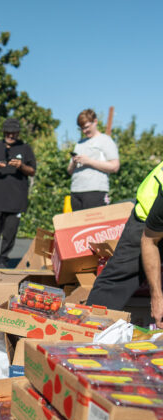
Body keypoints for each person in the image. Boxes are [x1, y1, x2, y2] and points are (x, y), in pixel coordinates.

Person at [86, 161, 163, 311]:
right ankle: (93, 326)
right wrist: (157, 297)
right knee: (120, 275)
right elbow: (149, 241)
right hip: (148, 221)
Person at [0, 117, 36, 271]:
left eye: (14, 132)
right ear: (4, 132)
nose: (11, 135)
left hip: (16, 199)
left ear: (18, 133)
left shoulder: (25, 148)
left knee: (10, 233)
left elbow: (32, 171)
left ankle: (3, 259)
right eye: (9, 132)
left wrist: (21, 165)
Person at [67, 109, 120, 211]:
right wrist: (74, 162)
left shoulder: (105, 140)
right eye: (81, 129)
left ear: (95, 122)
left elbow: (115, 166)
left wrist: (89, 161)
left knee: (95, 226)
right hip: (76, 191)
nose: (84, 131)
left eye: (86, 127)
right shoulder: (79, 143)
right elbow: (69, 171)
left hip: (95, 191)